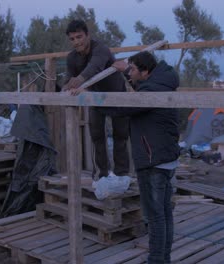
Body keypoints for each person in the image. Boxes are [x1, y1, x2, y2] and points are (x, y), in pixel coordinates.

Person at [106, 51, 180, 264]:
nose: (130, 72)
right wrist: (124, 73)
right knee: (164, 214)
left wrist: (93, 97)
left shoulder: (151, 91)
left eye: (133, 69)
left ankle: (156, 260)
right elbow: (139, 91)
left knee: (154, 217)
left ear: (145, 71)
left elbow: (121, 108)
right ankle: (163, 259)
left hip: (152, 161)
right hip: (165, 158)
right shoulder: (161, 83)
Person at [63, 19, 130, 179]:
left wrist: (79, 80)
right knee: (97, 136)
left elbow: (95, 66)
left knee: (120, 136)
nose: (76, 42)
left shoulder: (100, 49)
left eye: (79, 37)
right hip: (95, 99)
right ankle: (101, 174)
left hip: (117, 96)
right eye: (72, 39)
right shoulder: (72, 57)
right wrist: (66, 87)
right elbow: (68, 79)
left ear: (87, 35)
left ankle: (122, 175)